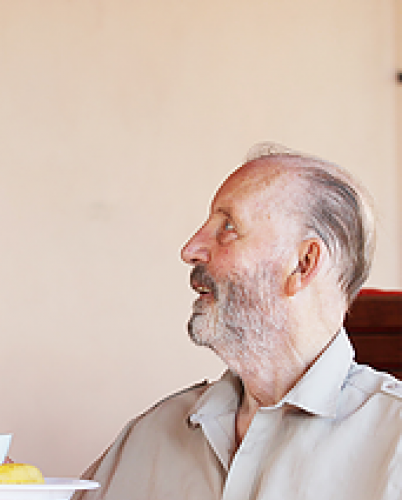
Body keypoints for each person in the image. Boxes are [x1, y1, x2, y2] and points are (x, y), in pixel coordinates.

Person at [73, 143, 402, 500]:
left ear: (303, 264)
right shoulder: (150, 436)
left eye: (228, 226)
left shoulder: (394, 442)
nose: (190, 249)